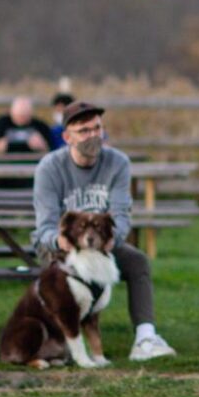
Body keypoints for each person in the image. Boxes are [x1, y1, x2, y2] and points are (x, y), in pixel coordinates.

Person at [32, 100, 176, 362]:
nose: (93, 136)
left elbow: (121, 214)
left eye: (97, 128)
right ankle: (64, 345)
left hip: (101, 243)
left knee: (137, 261)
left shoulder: (117, 162)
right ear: (67, 137)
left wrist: (114, 239)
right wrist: (59, 240)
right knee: (71, 278)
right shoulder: (49, 168)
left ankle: (145, 338)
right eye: (84, 131)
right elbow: (44, 227)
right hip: (63, 247)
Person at [0, 96, 55, 188]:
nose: (21, 119)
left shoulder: (40, 126)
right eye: (18, 116)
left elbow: (49, 154)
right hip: (5, 171)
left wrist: (41, 146)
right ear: (11, 112)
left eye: (24, 116)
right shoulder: (2, 123)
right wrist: (6, 143)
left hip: (32, 172)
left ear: (30, 113)